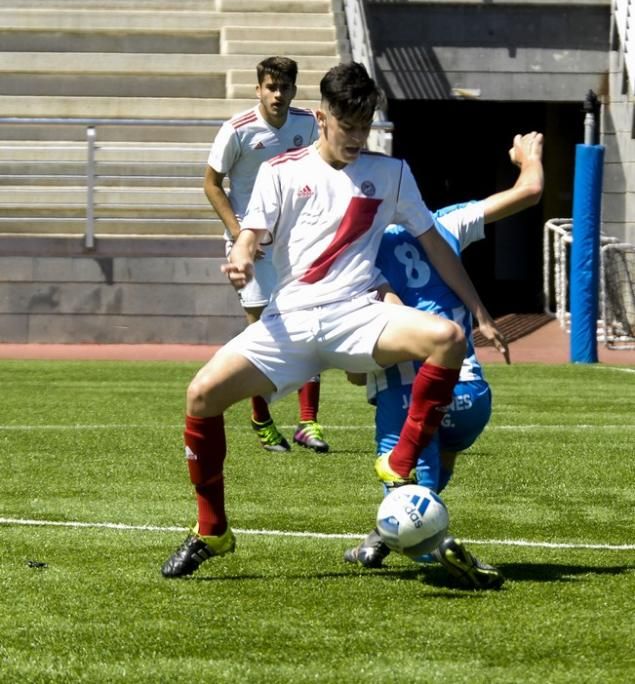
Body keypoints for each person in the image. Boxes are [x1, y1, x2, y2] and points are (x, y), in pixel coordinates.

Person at [161, 61, 507, 579]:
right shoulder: (283, 171)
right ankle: (212, 530)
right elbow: (253, 234)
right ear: (322, 118)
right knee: (200, 395)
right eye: (348, 125)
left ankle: (399, 460)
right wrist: (241, 256)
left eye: (365, 125)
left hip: (356, 317)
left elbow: (434, 243)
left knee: (447, 338)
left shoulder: (392, 174)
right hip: (291, 323)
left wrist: (478, 307)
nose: (357, 136)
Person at [343, 131, 545, 588]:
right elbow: (530, 192)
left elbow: (368, 353)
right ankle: (380, 537)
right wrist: (527, 156)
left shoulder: (358, 250)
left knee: (405, 481)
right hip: (471, 393)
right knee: (438, 460)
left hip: (410, 391)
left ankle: (441, 555)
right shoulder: (446, 222)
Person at [204, 56, 329, 453]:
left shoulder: (308, 124)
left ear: (294, 90)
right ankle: (261, 419)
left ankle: (308, 423)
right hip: (251, 248)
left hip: (294, 245)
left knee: (312, 326)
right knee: (265, 335)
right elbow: (211, 184)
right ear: (258, 89)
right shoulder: (237, 130)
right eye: (271, 87)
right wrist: (242, 235)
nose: (278, 94)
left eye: (285, 87)